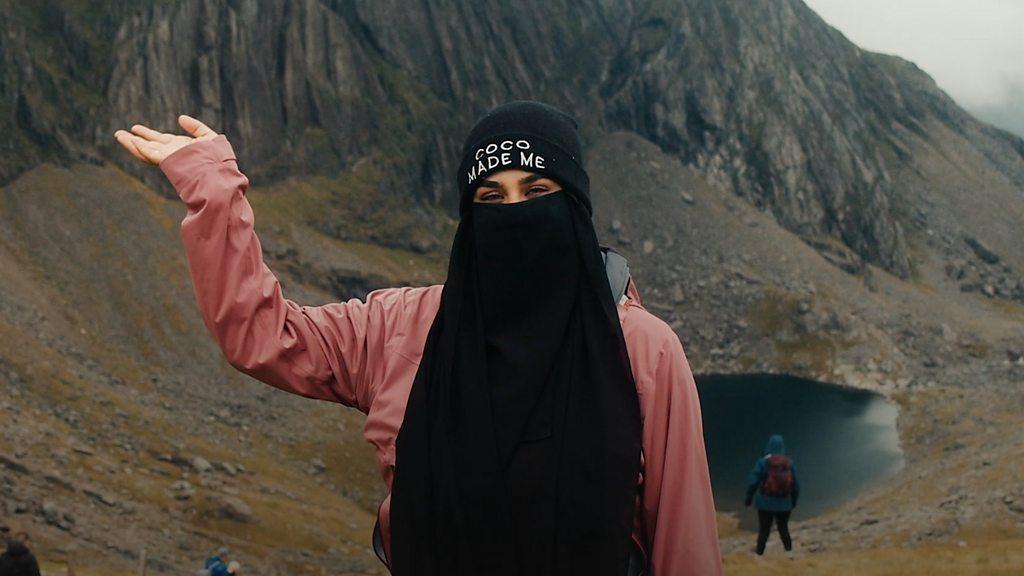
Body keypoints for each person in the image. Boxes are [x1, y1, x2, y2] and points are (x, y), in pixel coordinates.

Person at [114, 100, 721, 575]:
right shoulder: (403, 328)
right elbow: (265, 335)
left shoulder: (641, 350)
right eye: (490, 196)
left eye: (537, 192)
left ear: (576, 207)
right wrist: (216, 191)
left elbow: (682, 544)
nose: (514, 213)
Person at [745, 434, 799, 556]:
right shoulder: (789, 463)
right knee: (783, 528)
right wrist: (793, 502)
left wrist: (748, 499)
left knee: (764, 529)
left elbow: (753, 482)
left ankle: (759, 554)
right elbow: (796, 485)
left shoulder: (763, 462)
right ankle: (789, 553)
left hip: (765, 503)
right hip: (785, 504)